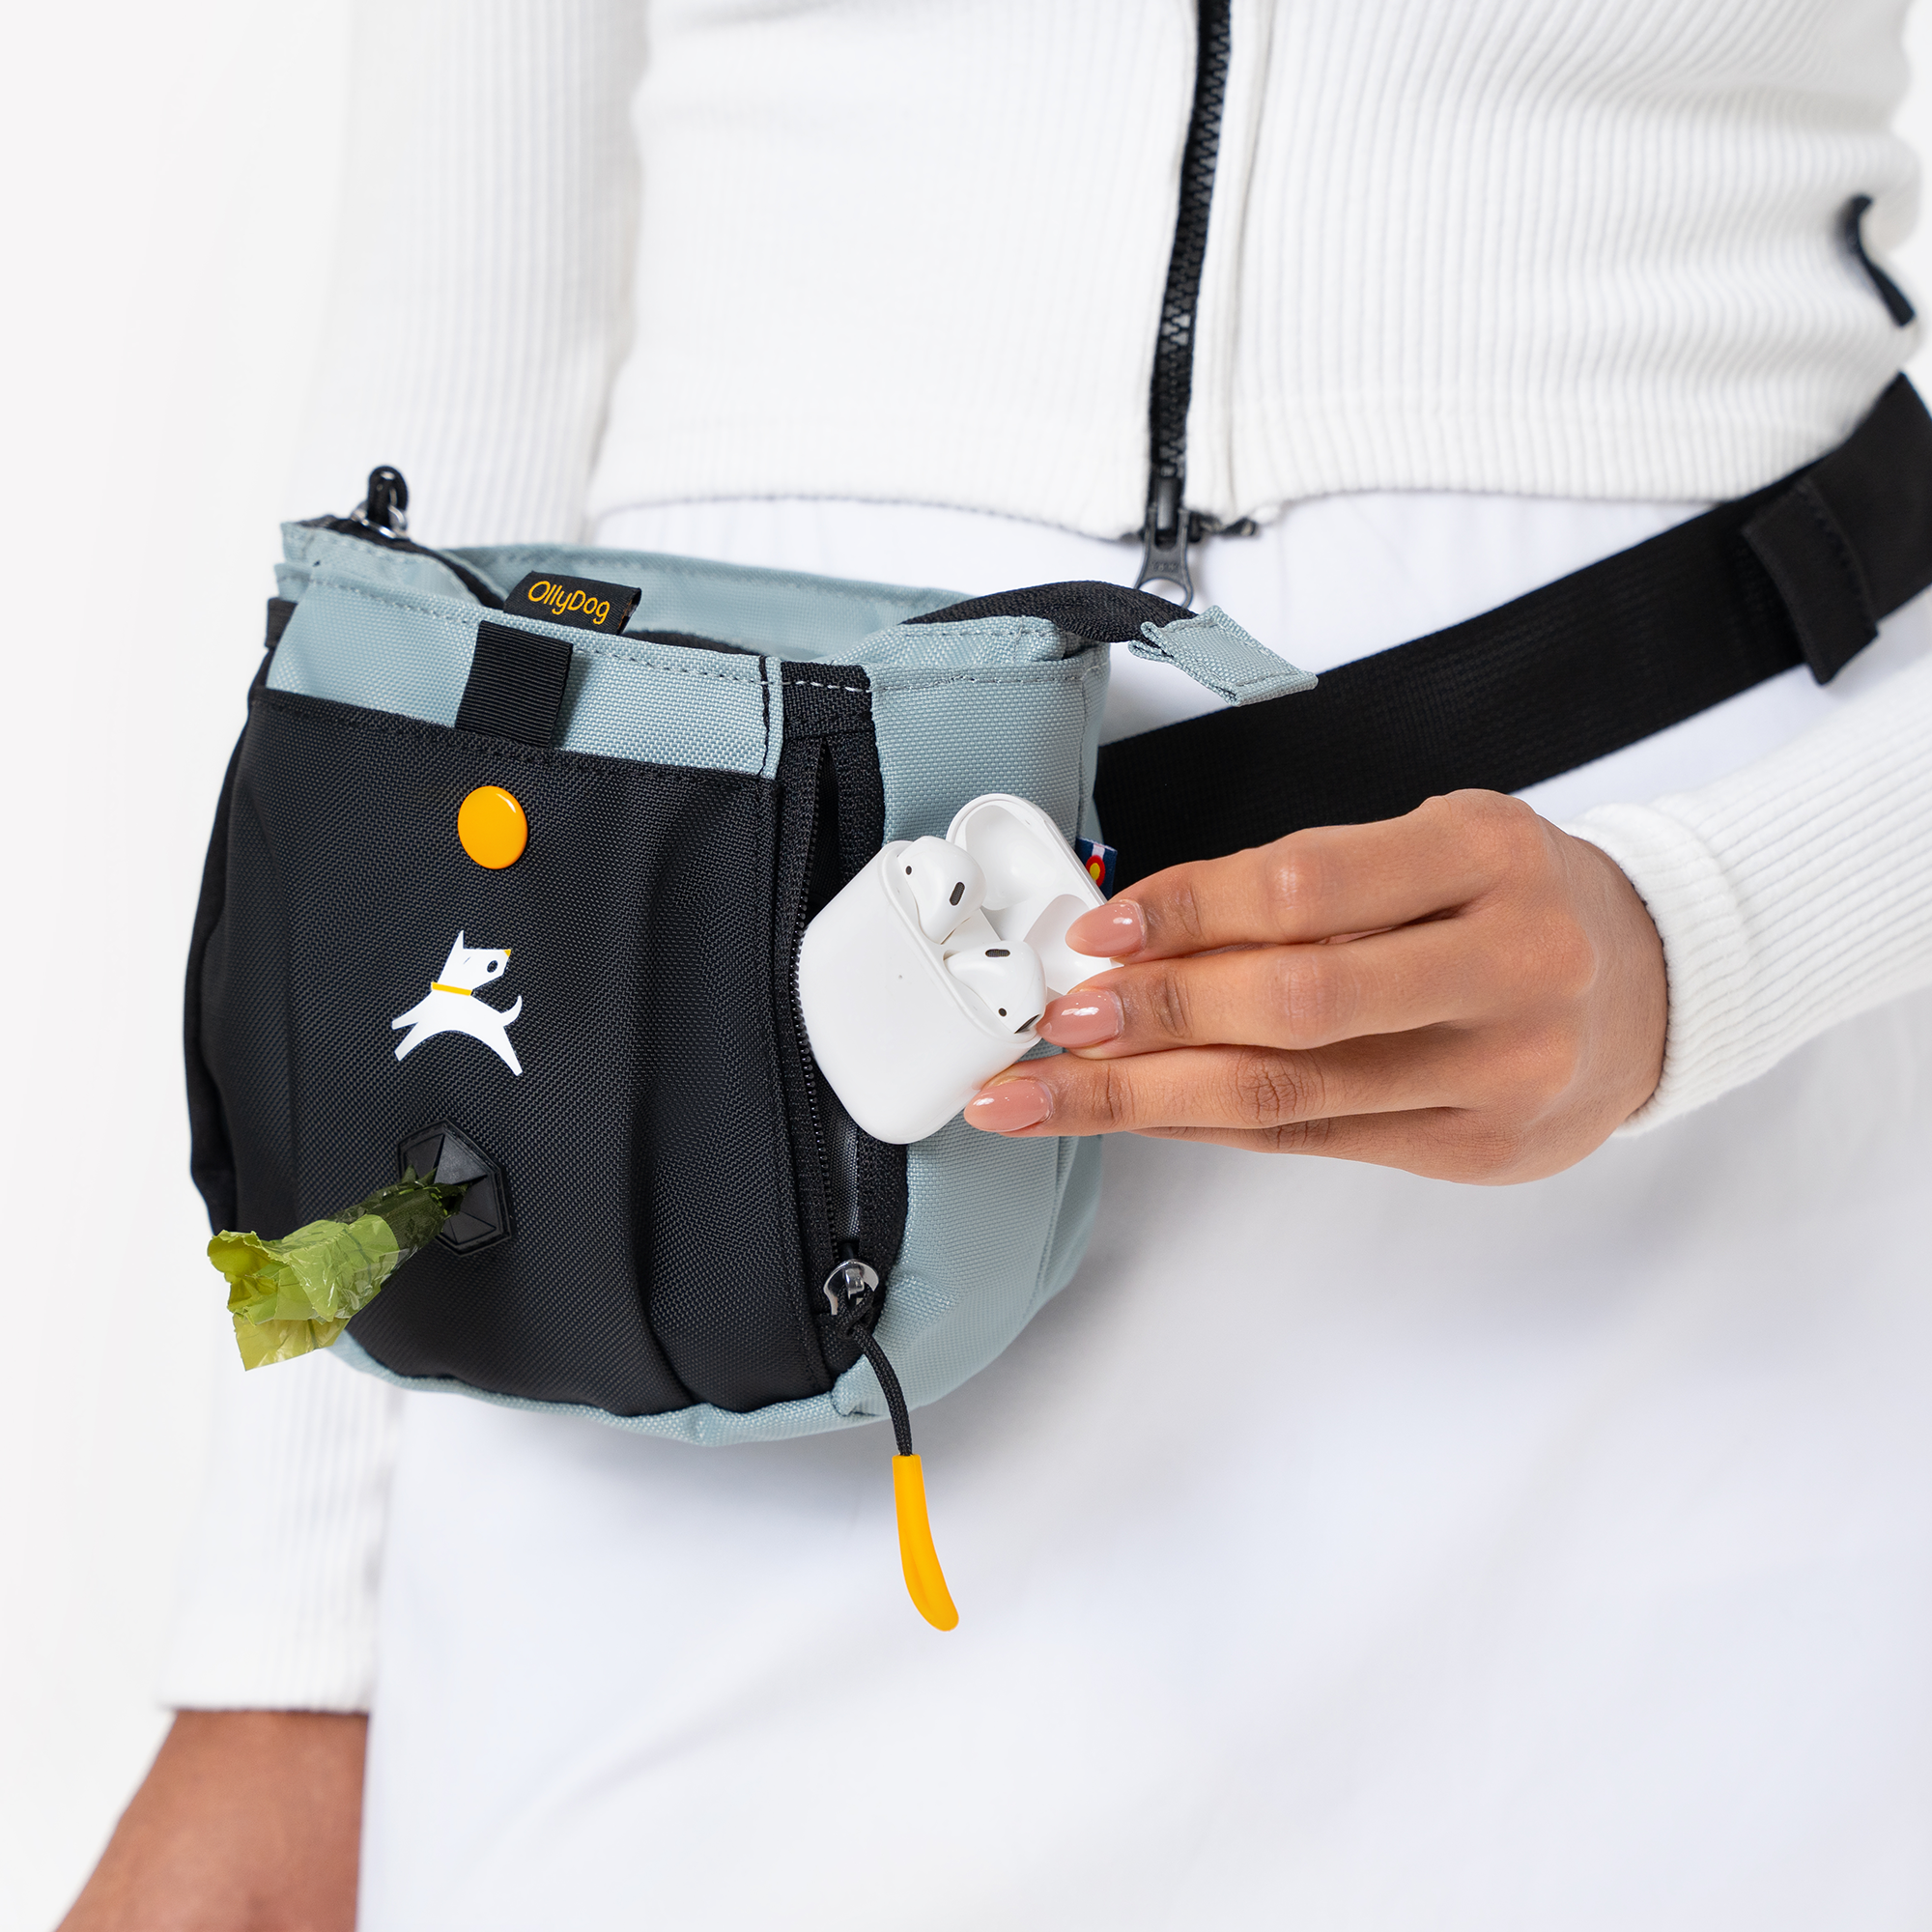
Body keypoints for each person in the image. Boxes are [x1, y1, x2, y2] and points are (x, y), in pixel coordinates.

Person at [64, 2, 1932, 1925]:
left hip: (1677, 1199)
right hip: (687, 1113)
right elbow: (450, 361)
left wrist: (1721, 929)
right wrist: (290, 1647)